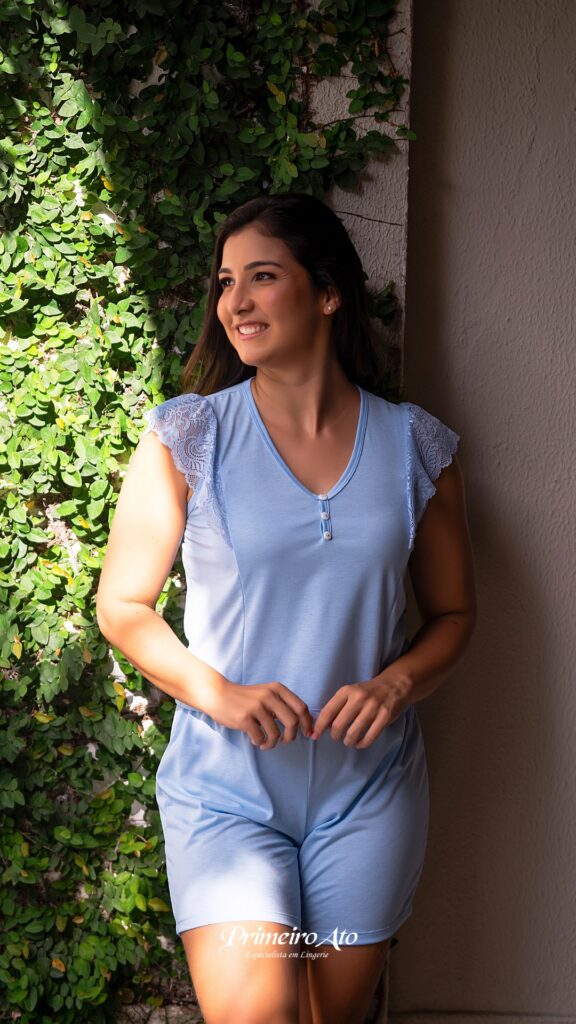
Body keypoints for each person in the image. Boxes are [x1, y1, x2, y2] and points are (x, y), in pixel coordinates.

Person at [96, 192, 476, 1024]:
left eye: (262, 277)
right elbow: (122, 605)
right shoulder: (188, 437)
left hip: (368, 794)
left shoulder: (416, 447)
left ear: (328, 292)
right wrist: (222, 695)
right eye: (226, 281)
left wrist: (396, 684)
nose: (235, 301)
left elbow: (454, 615)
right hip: (225, 794)